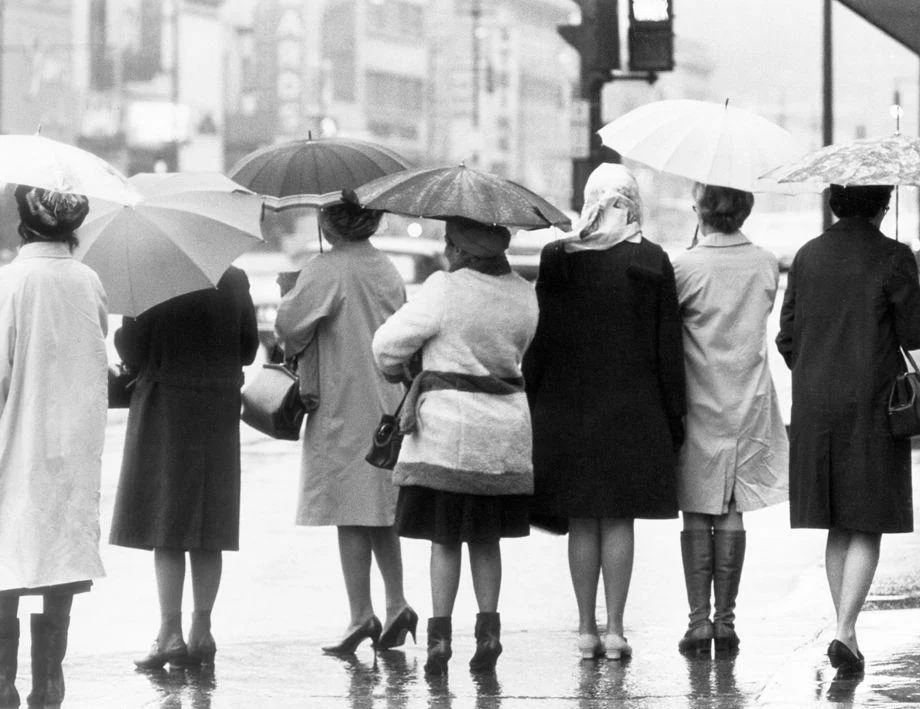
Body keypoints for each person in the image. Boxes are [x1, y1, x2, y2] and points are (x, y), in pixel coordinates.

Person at [524, 163, 685, 661]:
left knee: (581, 520)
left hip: (568, 408)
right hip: (633, 409)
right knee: (618, 520)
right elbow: (668, 349)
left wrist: (532, 402)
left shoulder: (559, 257)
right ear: (633, 202)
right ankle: (616, 630)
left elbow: (540, 338)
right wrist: (674, 418)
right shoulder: (653, 260)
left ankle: (585, 628)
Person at [372, 217, 537, 675]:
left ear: (461, 249)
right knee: (486, 539)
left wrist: (408, 370)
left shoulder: (444, 288)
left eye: (449, 241)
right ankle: (488, 633)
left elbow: (386, 345)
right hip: (502, 437)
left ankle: (439, 640)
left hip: (447, 436)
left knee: (444, 540)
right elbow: (522, 348)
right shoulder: (524, 293)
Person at [777, 184, 920, 677]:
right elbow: (914, 334)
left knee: (838, 518)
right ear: (882, 204)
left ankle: (848, 633)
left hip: (815, 404)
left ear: (836, 202)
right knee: (868, 518)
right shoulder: (894, 255)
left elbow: (787, 335)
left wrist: (815, 369)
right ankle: (843, 629)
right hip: (873, 401)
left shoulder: (808, 256)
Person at [275, 202, 416, 656]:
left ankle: (361, 614)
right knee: (380, 510)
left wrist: (290, 293)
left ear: (331, 223)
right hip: (386, 403)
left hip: (344, 399)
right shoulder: (387, 269)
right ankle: (397, 604)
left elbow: (288, 328)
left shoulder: (326, 268)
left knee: (349, 511)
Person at [109, 264, 259, 669]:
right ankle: (203, 630)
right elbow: (247, 349)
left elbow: (132, 350)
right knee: (211, 525)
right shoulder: (233, 279)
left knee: (168, 525)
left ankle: (169, 634)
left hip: (166, 404)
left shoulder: (147, 279)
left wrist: (126, 332)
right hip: (218, 405)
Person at [671, 183, 788, 657]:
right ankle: (726, 623)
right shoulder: (764, 261)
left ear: (700, 208)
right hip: (749, 396)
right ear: (745, 208)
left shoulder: (685, 266)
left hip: (699, 397)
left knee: (697, 506)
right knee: (734, 506)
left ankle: (698, 623)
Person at [0, 185, 106, 706]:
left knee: (7, 562)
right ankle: (49, 682)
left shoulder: (10, 282)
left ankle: (2, 684)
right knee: (57, 563)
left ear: (24, 225)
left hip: (15, 446)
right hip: (74, 450)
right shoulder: (88, 282)